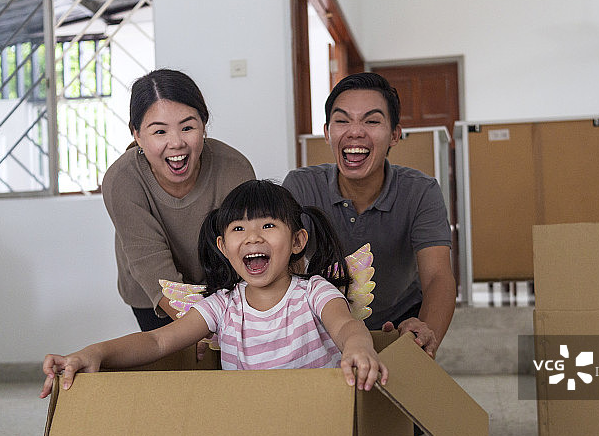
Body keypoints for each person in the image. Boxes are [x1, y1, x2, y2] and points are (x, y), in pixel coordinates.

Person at [40, 180, 387, 398]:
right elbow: (157, 340)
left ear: (297, 240)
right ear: (223, 246)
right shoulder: (222, 306)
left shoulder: (314, 292)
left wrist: (359, 350)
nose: (253, 237)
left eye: (268, 225)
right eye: (239, 228)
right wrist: (94, 353)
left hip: (317, 418)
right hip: (245, 431)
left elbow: (346, 325)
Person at [283, 72, 456, 359]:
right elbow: (283, 271)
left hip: (398, 324)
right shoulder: (300, 186)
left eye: (372, 121)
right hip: (322, 326)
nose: (355, 132)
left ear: (395, 135)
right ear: (327, 132)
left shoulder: (421, 191)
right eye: (342, 120)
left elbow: (438, 276)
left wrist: (425, 331)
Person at [102, 68, 255, 331]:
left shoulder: (234, 169)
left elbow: (246, 245)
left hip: (221, 287)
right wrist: (190, 324)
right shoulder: (122, 180)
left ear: (203, 126)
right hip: (154, 290)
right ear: (137, 134)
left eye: (187, 127)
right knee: (174, 365)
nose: (176, 143)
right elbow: (150, 261)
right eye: (159, 132)